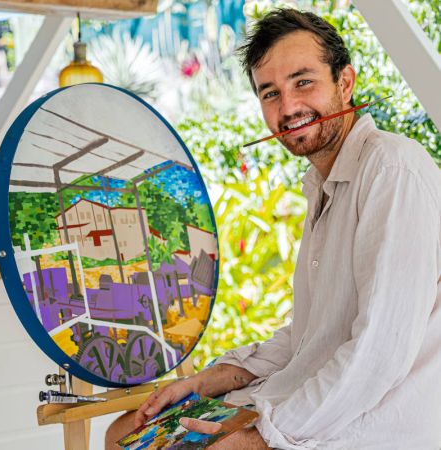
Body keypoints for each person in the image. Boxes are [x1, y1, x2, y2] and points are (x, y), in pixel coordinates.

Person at [106, 8, 441, 449]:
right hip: (298, 400)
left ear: (345, 82)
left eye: (303, 82)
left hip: (364, 427)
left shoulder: (392, 169)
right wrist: (209, 379)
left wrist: (258, 439)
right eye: (270, 93)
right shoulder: (322, 185)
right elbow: (310, 336)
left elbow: (378, 354)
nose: (288, 108)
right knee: (123, 432)